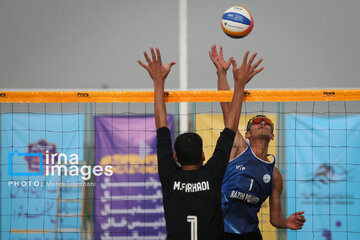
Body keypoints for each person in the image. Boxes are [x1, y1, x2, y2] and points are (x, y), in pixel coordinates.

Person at [138, 47, 263, 240]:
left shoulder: (170, 176)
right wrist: (239, 85)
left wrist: (158, 82)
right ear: (203, 155)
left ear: (175, 157)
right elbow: (231, 126)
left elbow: (161, 128)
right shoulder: (211, 174)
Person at [209, 45, 306, 240]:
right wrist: (222, 73)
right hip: (221, 231)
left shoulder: (275, 175)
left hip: (251, 234)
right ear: (247, 134)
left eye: (266, 122)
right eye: (256, 122)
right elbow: (227, 106)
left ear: (272, 135)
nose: (262, 122)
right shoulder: (237, 148)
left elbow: (275, 218)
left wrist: (285, 222)